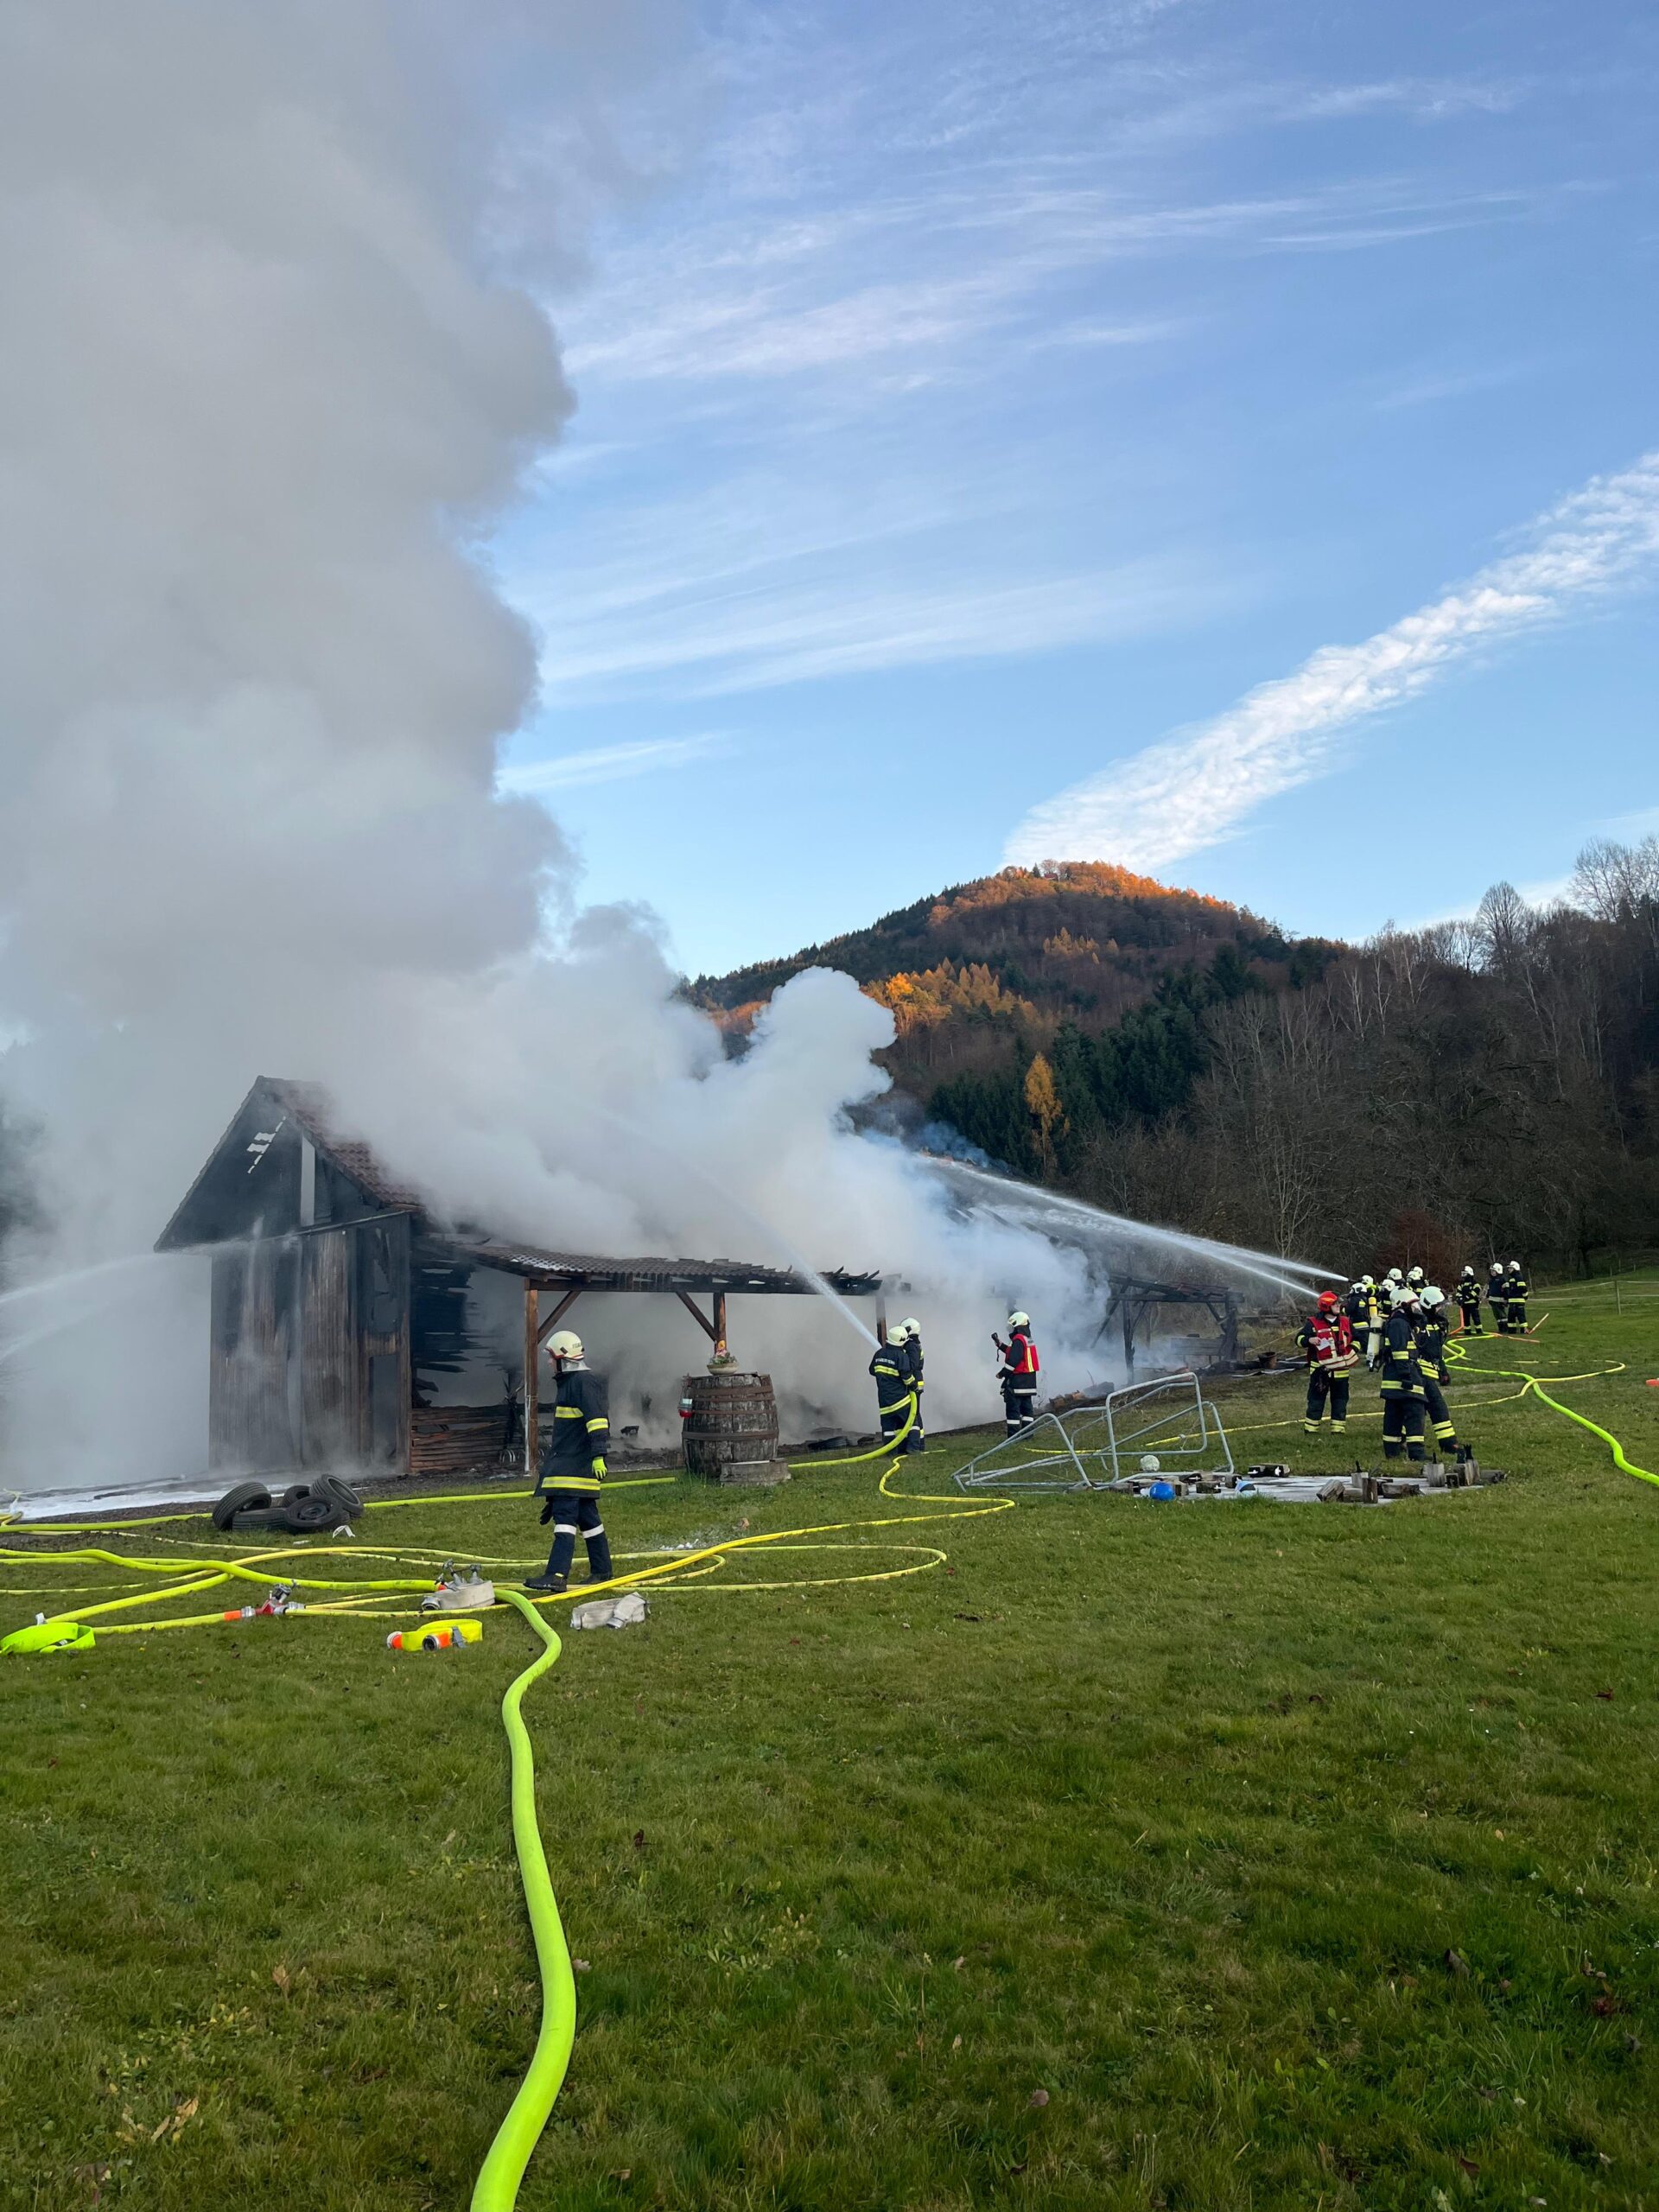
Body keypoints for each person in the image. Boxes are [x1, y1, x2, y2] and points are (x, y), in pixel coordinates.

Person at [524, 1329, 615, 1596]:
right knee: (588, 1519)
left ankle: (556, 1575)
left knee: (565, 1520)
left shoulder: (583, 1383)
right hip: (571, 1466)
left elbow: (597, 1421)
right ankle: (602, 1570)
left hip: (573, 1467)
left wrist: (599, 1455)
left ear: (564, 1359)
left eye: (551, 1358)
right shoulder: (572, 1383)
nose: (548, 1363)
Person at [1377, 1286, 1428, 1465]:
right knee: (1415, 1412)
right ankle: (1416, 1453)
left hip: (1394, 1377)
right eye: (1414, 1305)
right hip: (1402, 1376)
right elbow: (1400, 1352)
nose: (1417, 1309)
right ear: (1404, 1305)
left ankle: (1392, 1452)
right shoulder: (1399, 1323)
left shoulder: (1400, 1321)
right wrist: (1406, 1376)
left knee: (1394, 1414)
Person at [1299, 1289, 1357, 1436]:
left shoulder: (1346, 1322)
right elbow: (1299, 1339)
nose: (1339, 1306)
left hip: (1341, 1371)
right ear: (1326, 1306)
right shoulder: (1313, 1323)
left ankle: (1338, 1430)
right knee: (1316, 1401)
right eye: (1335, 1304)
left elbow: (1358, 1339)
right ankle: (1311, 1430)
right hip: (1320, 1371)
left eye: (1338, 1303)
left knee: (1340, 1401)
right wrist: (1309, 1340)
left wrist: (1353, 1349)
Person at [1414, 1287, 1459, 1459]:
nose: (1441, 1310)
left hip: (1429, 1373)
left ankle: (1448, 1443)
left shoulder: (1435, 1324)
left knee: (1421, 1409)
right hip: (1419, 1373)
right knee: (1435, 1407)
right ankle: (1448, 1444)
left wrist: (1443, 1370)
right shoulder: (1419, 1325)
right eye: (1438, 1306)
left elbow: (1437, 1352)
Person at [995, 1311, 1040, 1436]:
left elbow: (1013, 1360)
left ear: (1018, 1325)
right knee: (1027, 1410)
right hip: (1029, 1381)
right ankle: (1027, 1434)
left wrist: (1002, 1373)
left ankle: (1013, 1436)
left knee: (1013, 1410)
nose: (1011, 1330)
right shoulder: (1027, 1339)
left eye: (1012, 1326)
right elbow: (1014, 1352)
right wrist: (1000, 1344)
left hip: (1018, 1382)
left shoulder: (1018, 1340)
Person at [870, 1325, 915, 1450]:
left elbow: (872, 1371)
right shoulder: (901, 1356)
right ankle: (913, 1449)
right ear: (902, 1341)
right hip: (900, 1400)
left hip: (884, 1401)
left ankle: (891, 1451)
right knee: (913, 1423)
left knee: (888, 1429)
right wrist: (914, 1385)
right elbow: (906, 1377)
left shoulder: (879, 1353)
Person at [898, 1314, 925, 1452]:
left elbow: (912, 1365)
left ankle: (918, 1445)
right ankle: (917, 1443)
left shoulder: (911, 1346)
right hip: (914, 1382)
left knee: (914, 1413)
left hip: (914, 1382)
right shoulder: (912, 1344)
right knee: (914, 1413)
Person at [1504, 1260, 1529, 1335]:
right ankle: (1511, 1330)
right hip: (1512, 1302)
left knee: (1521, 1316)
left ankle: (1524, 1330)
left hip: (1519, 1301)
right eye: (1509, 1268)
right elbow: (1509, 1291)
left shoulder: (1518, 1277)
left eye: (1511, 1268)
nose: (1509, 1270)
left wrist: (1525, 1297)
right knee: (1511, 1317)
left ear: (1515, 1268)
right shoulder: (1510, 1278)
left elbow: (1523, 1288)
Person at [1456, 1266, 1484, 1336]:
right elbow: (1458, 1292)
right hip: (1465, 1304)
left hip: (1473, 1304)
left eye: (1465, 1274)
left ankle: (1479, 1330)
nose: (1463, 1275)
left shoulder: (1474, 1283)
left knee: (1476, 1317)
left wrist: (1467, 1297)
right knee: (1466, 1318)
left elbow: (1476, 1290)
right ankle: (1467, 1331)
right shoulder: (1462, 1283)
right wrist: (1459, 1298)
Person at [1486, 1262, 1508, 1335]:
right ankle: (1500, 1328)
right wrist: (1487, 1296)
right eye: (1491, 1271)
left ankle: (1505, 1328)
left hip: (1500, 1301)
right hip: (1492, 1301)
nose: (1492, 1272)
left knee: (1502, 1315)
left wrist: (1506, 1299)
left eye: (1493, 1271)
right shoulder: (1491, 1280)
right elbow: (1489, 1289)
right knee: (1497, 1315)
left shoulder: (1502, 1279)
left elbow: (1506, 1290)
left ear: (1498, 1270)